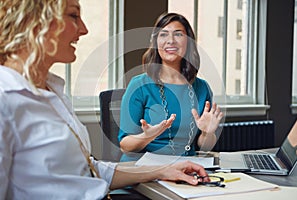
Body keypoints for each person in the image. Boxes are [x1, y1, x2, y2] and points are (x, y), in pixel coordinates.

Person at [0, 1, 210, 199]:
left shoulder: (52, 91)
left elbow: (89, 170)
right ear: (34, 21)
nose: (84, 29)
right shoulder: (5, 99)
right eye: (73, 15)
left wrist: (163, 170)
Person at [118, 13, 224, 162]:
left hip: (187, 166)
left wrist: (207, 133)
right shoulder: (139, 85)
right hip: (143, 167)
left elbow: (203, 146)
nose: (170, 41)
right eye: (163, 35)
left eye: (178, 34)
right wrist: (146, 136)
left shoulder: (201, 88)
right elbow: (125, 145)